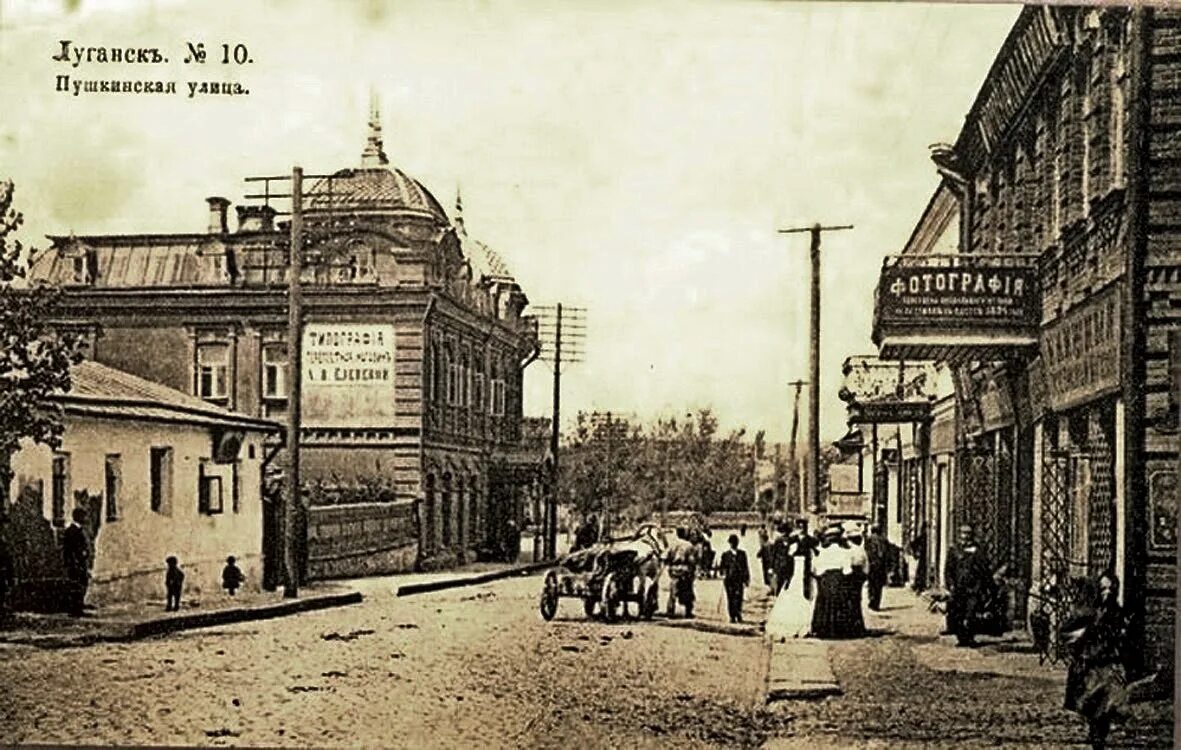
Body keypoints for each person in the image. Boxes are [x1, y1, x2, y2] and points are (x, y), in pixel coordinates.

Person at [1063, 571, 1154, 750]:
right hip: (1091, 663)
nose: (1107, 592)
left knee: (1106, 705)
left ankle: (1099, 736)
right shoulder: (1090, 611)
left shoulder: (1117, 614)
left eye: (1111, 589)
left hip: (1109, 663)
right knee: (1090, 702)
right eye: (1103, 588)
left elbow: (1124, 639)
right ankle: (1094, 730)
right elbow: (1071, 631)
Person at [810, 525, 863, 639]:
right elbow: (847, 570)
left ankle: (823, 629)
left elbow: (816, 570)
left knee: (825, 603)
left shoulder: (822, 552)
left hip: (825, 580)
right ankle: (840, 629)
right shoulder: (845, 552)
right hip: (839, 580)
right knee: (840, 604)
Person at [944, 524, 994, 646]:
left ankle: (970, 637)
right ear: (959, 534)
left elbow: (984, 569)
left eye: (968, 534)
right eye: (963, 533)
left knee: (971, 612)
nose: (966, 536)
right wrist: (950, 584)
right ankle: (961, 638)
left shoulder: (978, 550)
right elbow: (948, 569)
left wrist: (985, 586)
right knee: (959, 613)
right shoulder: (954, 550)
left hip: (973, 586)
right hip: (958, 587)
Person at [765, 527, 815, 640]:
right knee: (790, 593)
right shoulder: (789, 543)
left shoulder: (807, 543)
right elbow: (783, 557)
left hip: (801, 571)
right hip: (793, 571)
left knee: (799, 595)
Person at [60, 508, 90, 617]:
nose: (86, 519)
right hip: (75, 565)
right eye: (84, 516)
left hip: (79, 564)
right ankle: (75, 610)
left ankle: (79, 607)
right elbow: (70, 550)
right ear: (79, 517)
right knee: (76, 586)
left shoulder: (79, 530)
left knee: (81, 585)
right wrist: (76, 562)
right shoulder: (72, 531)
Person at [664, 527, 698, 618]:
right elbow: (691, 560)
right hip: (684, 569)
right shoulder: (688, 545)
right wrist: (693, 569)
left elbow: (665, 557)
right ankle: (688, 612)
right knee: (687, 590)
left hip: (674, 569)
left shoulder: (672, 544)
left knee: (673, 591)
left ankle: (670, 611)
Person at [718, 534, 750, 623]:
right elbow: (722, 567)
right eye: (732, 542)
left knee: (739, 597)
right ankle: (732, 616)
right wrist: (723, 574)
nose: (733, 544)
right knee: (730, 597)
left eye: (735, 542)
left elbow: (745, 567)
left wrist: (747, 579)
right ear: (730, 543)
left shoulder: (742, 554)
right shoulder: (725, 555)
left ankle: (738, 614)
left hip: (739, 579)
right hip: (729, 580)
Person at [864, 525, 889, 611]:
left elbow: (866, 552)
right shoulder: (884, 540)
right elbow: (887, 554)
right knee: (879, 586)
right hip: (881, 566)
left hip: (872, 565)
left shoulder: (869, 539)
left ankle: (872, 600)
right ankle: (876, 603)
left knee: (872, 585)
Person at [755, 527, 772, 592]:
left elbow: (758, 555)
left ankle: (771, 589)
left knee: (767, 576)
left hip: (766, 563)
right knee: (771, 575)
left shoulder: (764, 546)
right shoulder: (771, 544)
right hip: (772, 562)